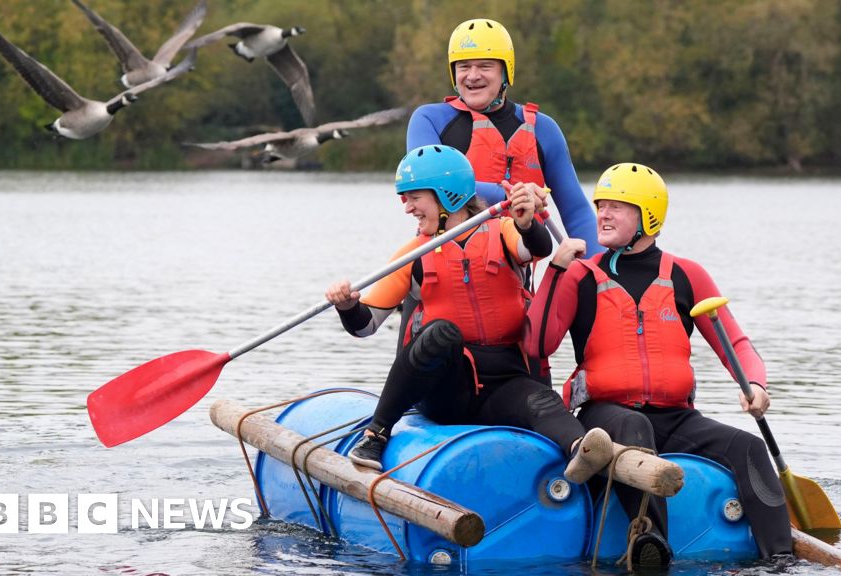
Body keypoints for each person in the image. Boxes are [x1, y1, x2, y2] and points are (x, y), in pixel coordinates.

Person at [525, 163, 794, 568]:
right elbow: (535, 344)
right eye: (601, 205)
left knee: (749, 446)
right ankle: (651, 544)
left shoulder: (687, 275)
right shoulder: (579, 274)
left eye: (617, 206)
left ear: (648, 215)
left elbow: (734, 342)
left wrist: (755, 384)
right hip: (608, 417)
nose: (603, 214)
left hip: (677, 418)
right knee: (637, 428)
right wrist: (557, 270)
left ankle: (783, 560)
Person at [325, 144, 613, 485]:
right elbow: (365, 325)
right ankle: (376, 435)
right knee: (441, 332)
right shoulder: (413, 253)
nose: (407, 208)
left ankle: (582, 450)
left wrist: (526, 222)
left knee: (542, 399)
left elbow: (537, 247)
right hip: (448, 390)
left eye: (414, 197)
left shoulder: (504, 230)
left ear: (447, 195)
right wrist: (347, 306)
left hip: (506, 382)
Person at [406, 18, 600, 255]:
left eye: (485, 66)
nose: (472, 76)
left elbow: (577, 212)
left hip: (514, 273)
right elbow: (430, 181)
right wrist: (512, 194)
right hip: (442, 264)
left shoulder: (544, 130)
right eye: (464, 66)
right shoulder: (429, 120)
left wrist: (599, 272)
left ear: (506, 71)